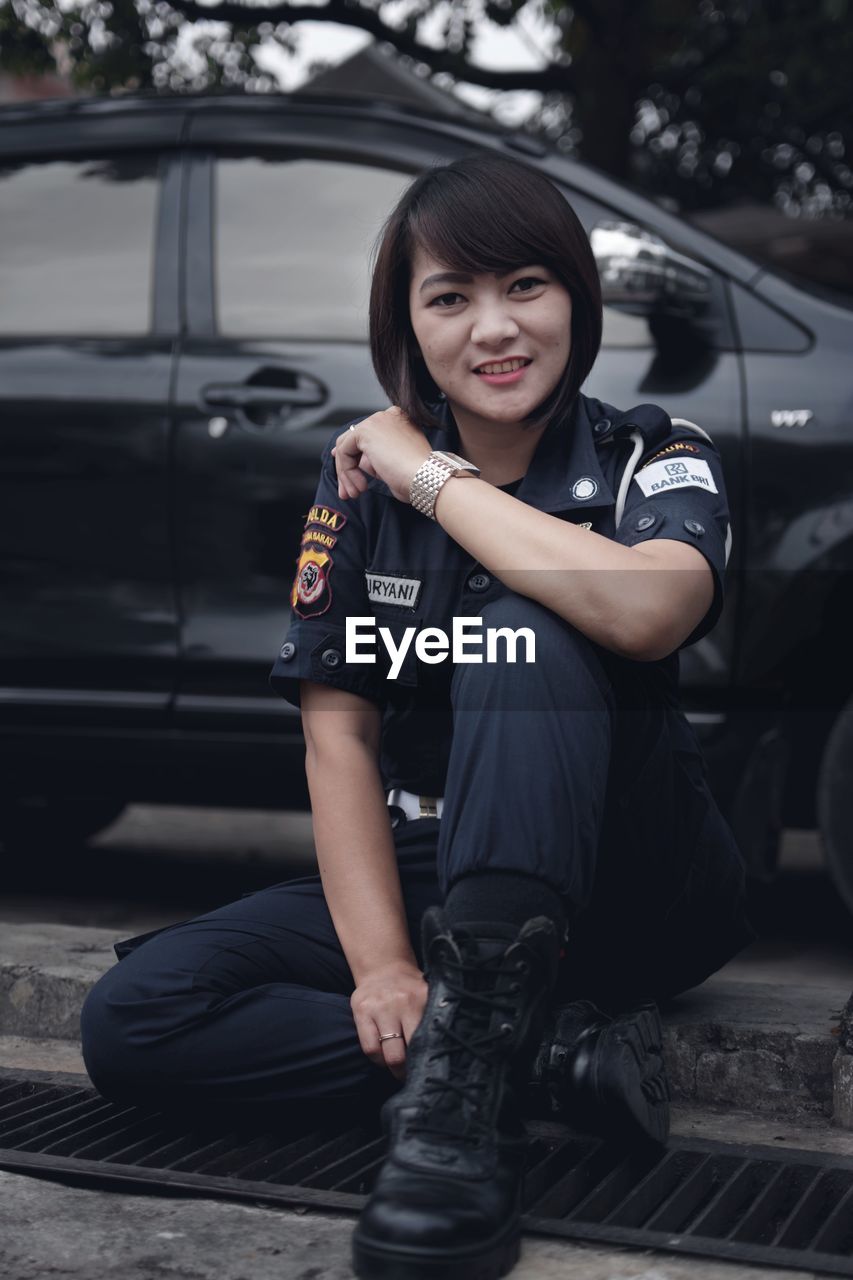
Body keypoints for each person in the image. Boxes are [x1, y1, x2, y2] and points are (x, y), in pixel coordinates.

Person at [80, 152, 755, 1280]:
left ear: (576, 302)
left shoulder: (655, 450)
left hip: (635, 870)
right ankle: (534, 1056)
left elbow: (651, 610)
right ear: (408, 320)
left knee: (528, 626)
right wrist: (388, 963)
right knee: (139, 1016)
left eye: (525, 285)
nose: (493, 327)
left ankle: (449, 1138)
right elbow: (335, 732)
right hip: (443, 864)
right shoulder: (352, 492)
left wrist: (430, 473)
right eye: (450, 297)